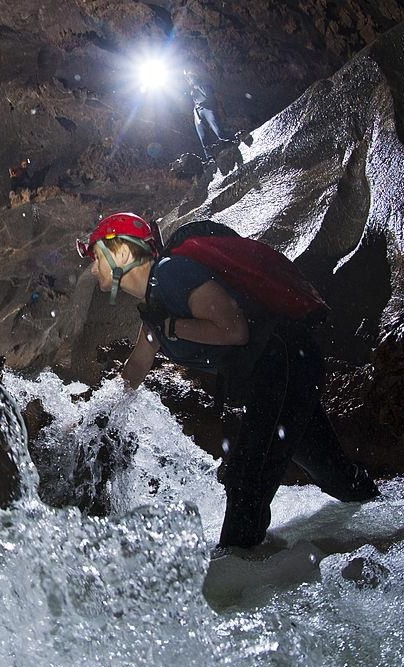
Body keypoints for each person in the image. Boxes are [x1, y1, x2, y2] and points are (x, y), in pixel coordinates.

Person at [75, 212, 379, 549]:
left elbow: (235, 329)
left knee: (246, 476)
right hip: (279, 370)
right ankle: (389, 515)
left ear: (121, 254)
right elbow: (134, 370)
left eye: (96, 256)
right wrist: (90, 416)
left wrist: (172, 327)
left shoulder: (172, 274)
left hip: (284, 360)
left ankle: (235, 582)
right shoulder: (155, 304)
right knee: (333, 473)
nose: (92, 268)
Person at [184, 70, 236, 163]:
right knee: (203, 136)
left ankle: (231, 138)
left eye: (191, 78)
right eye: (188, 79)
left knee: (217, 129)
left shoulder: (205, 85)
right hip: (197, 112)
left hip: (207, 107)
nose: (189, 81)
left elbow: (210, 96)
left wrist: (197, 85)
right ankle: (210, 157)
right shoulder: (190, 91)